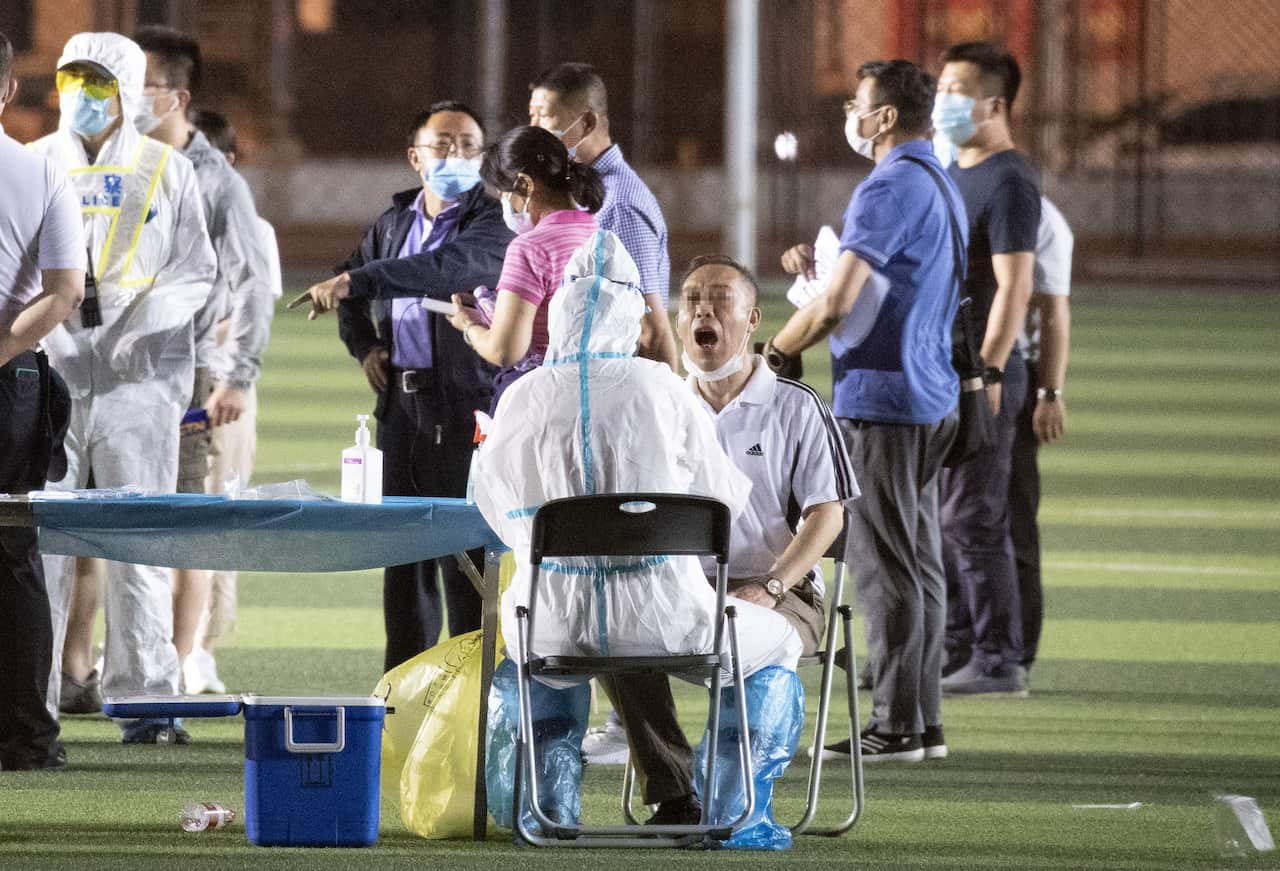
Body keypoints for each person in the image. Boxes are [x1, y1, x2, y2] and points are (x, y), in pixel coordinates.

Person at [472, 231, 801, 829]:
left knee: (591, 641)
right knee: (777, 644)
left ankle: (547, 811)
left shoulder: (521, 397)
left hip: (550, 625)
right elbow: (720, 503)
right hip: (666, 619)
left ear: (562, 308)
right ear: (629, 312)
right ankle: (734, 814)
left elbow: (493, 504)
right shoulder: (662, 389)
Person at [585, 255, 858, 820]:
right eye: (692, 302)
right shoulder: (659, 406)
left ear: (753, 319)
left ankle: (732, 805)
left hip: (783, 593)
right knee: (611, 632)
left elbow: (827, 515)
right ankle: (674, 793)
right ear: (679, 322)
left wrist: (773, 586)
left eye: (721, 300)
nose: (703, 311)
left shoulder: (795, 405)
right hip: (680, 589)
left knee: (746, 639)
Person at [766, 59, 963, 762]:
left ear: (885, 117)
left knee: (885, 568)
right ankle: (921, 721)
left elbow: (839, 304)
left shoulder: (888, 184)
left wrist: (777, 351)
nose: (850, 112)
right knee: (919, 562)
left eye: (857, 103)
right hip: (928, 392)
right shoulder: (937, 177)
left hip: (885, 398)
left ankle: (896, 725)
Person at [32, 32, 216, 744]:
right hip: (49, 375)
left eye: (99, 82)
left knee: (139, 543)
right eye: (72, 80)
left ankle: (148, 703)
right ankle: (30, 705)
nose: (82, 95)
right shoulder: (33, 164)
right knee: (39, 548)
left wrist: (142, 327)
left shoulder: (167, 169)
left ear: (130, 89)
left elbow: (195, 269)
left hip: (139, 381)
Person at [297, 103, 511, 671]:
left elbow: (442, 269)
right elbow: (348, 285)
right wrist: (365, 347)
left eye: (469, 145)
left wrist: (355, 281)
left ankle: (472, 692)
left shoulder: (493, 223)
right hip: (400, 411)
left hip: (465, 407)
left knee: (466, 560)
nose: (457, 155)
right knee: (402, 562)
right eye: (443, 144)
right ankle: (402, 693)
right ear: (416, 157)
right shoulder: (393, 223)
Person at [128, 26, 276, 694]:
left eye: (140, 85)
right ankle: (82, 667)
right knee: (100, 522)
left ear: (177, 95)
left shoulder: (216, 182)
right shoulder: (113, 163)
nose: (124, 98)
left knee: (184, 522)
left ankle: (173, 669)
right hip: (110, 372)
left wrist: (237, 375)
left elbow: (251, 283)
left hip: (186, 372)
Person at [932, 42, 1041, 696]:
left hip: (982, 374)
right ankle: (958, 646)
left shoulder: (1008, 179)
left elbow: (1015, 288)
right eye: (941, 87)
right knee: (946, 516)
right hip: (947, 368)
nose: (942, 100)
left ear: (994, 104)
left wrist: (990, 374)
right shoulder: (954, 169)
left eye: (956, 90)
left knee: (973, 517)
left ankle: (1000, 659)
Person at [0, 30, 86, 771]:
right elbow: (65, 291)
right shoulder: (42, 172)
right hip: (13, 378)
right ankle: (27, 737)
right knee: (12, 554)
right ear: (7, 90)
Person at [185, 107, 284, 691]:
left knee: (218, 516)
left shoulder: (252, 228)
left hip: (223, 390)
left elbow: (249, 310)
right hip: (167, 385)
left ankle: (203, 647)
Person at [528, 62, 678, 369]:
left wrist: (664, 397)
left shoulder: (618, 206)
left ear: (587, 123)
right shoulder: (582, 195)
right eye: (532, 115)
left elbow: (652, 332)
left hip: (618, 382)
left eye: (544, 115)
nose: (533, 128)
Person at [441, 125, 605, 405]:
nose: (507, 205)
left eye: (505, 194)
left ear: (525, 185)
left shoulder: (530, 248)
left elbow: (505, 351)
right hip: (595, 397)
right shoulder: (599, 234)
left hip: (543, 403)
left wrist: (469, 326)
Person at [1010, 196, 1072, 672]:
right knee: (955, 521)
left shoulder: (1038, 214)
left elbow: (1053, 308)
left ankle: (1015, 649)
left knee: (1012, 516)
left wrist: (1049, 391)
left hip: (1012, 373)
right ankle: (956, 643)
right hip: (948, 371)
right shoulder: (949, 187)